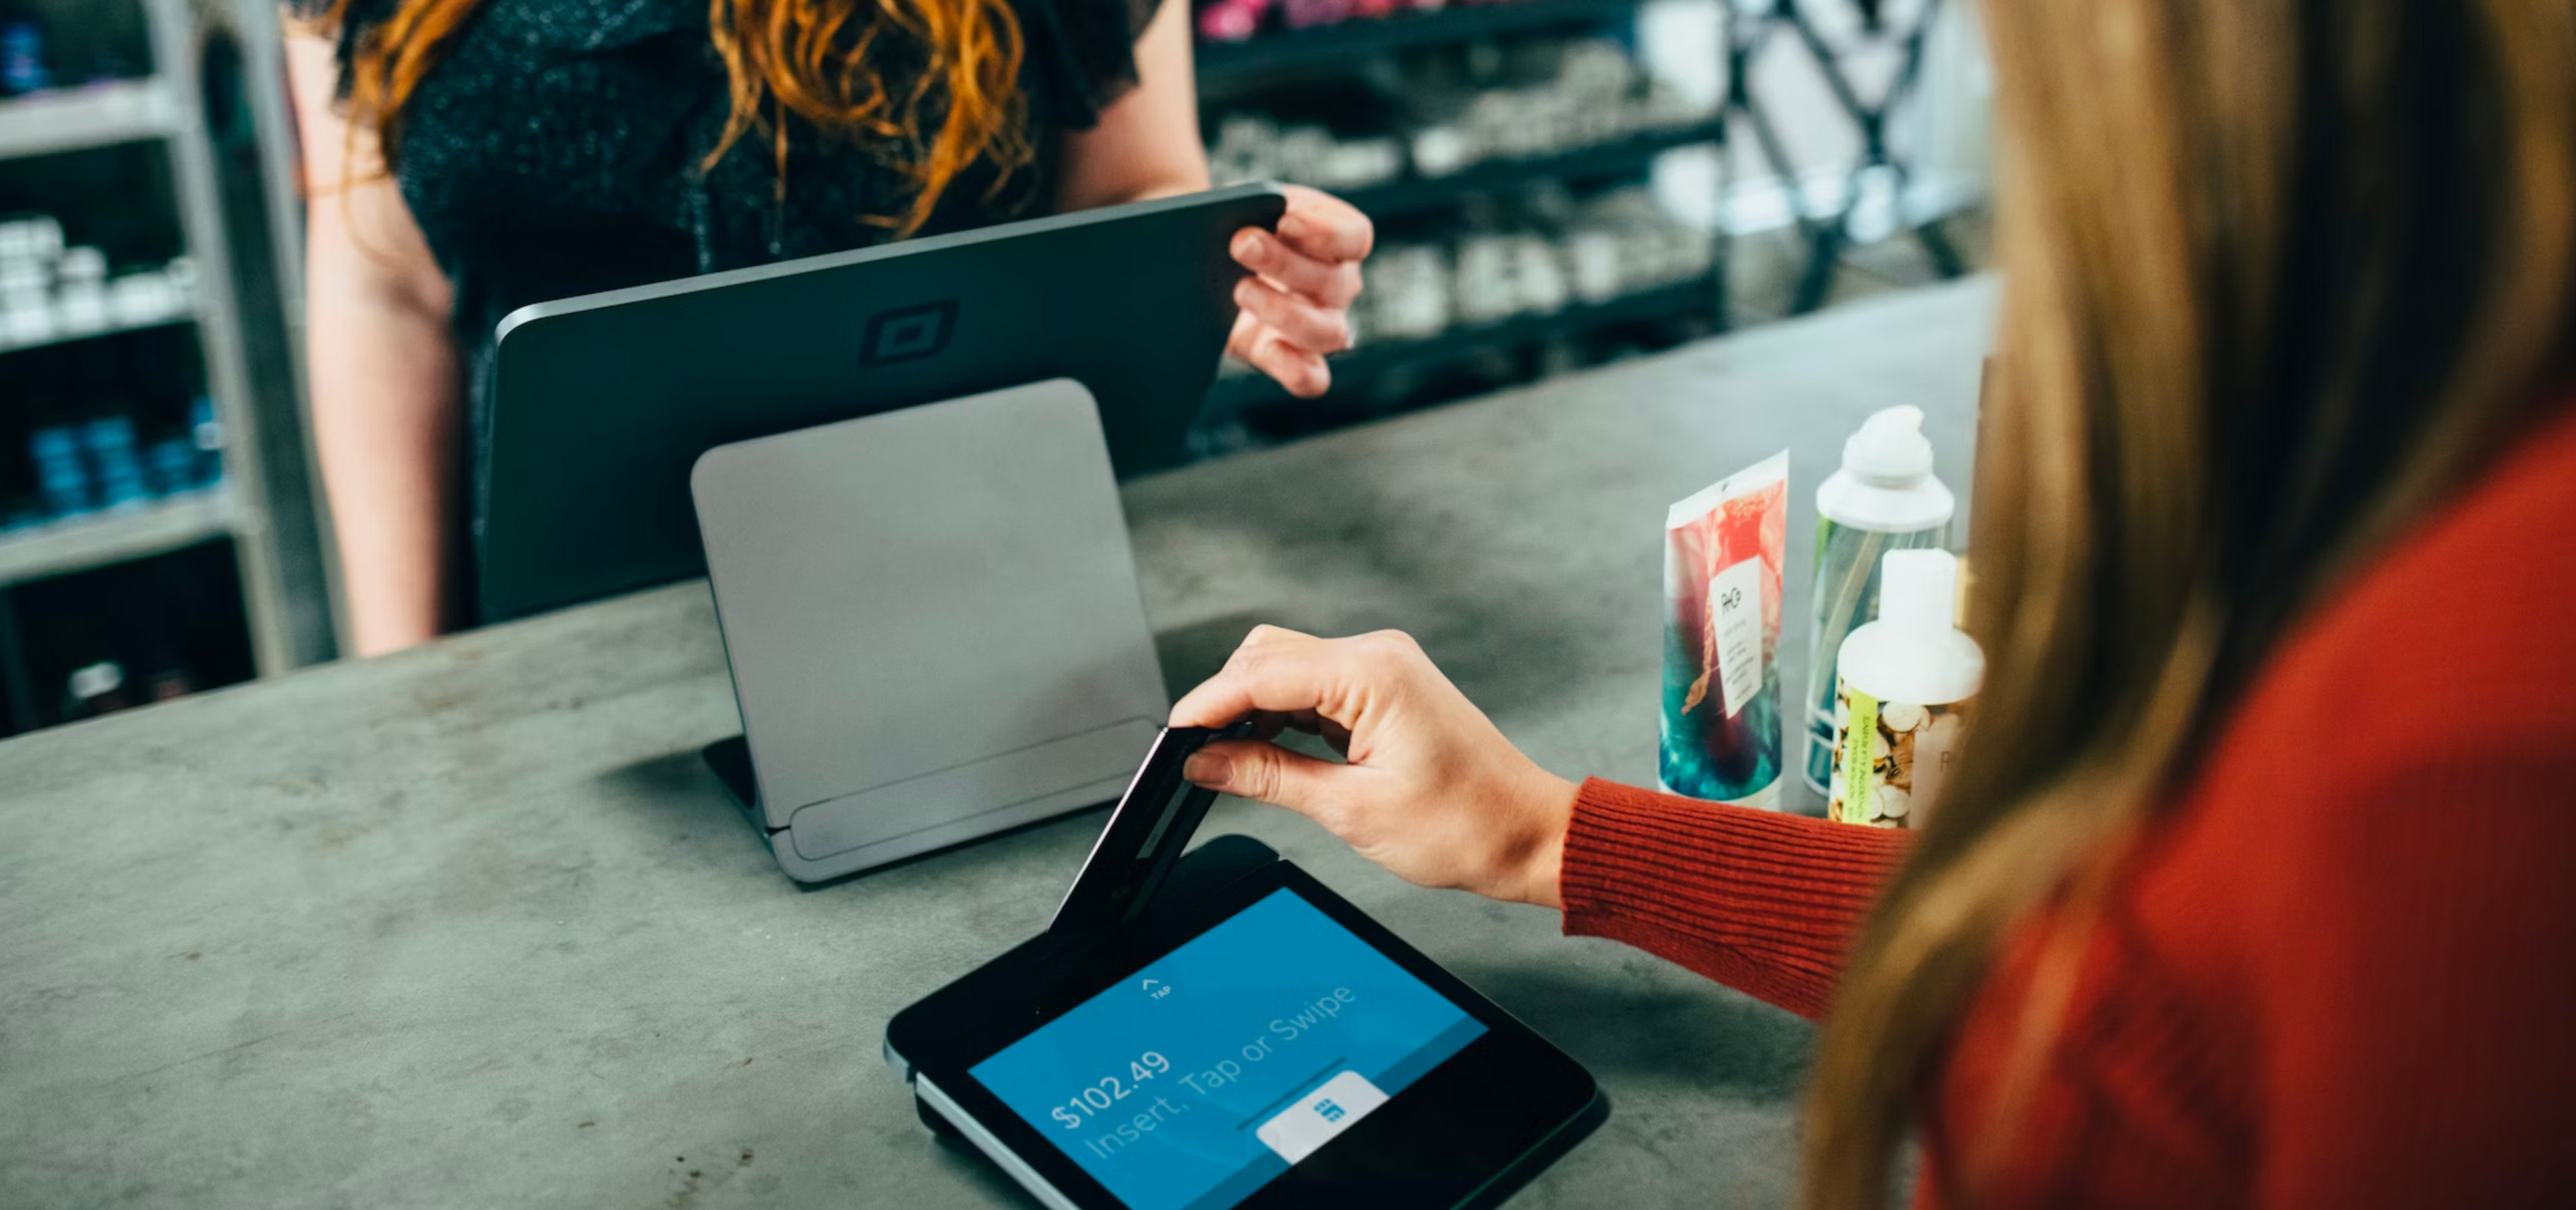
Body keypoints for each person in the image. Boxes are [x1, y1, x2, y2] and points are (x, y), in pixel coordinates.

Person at [1166, 1, 2576, 1207]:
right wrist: (1549, 834)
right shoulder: (2421, 489)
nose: (2003, 78)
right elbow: (2114, 970)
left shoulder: (2463, 742)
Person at [283, 0, 1370, 656]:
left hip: (960, 591)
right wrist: (409, 678)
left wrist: (1211, 269)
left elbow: (1130, 184)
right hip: (555, 622)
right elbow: (386, 287)